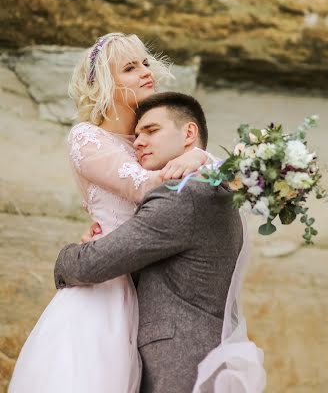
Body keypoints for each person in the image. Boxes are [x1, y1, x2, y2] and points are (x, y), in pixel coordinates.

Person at [8, 33, 215, 393]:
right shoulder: (88, 138)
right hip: (102, 289)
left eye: (146, 63)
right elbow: (142, 186)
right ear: (106, 82)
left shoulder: (148, 144)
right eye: (130, 68)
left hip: (144, 290)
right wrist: (196, 157)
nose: (145, 72)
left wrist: (199, 156)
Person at [55, 92, 266, 393]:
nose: (138, 141)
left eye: (151, 131)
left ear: (189, 133)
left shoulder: (184, 195)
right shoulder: (217, 189)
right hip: (202, 353)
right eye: (137, 133)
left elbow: (93, 264)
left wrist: (67, 256)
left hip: (178, 363)